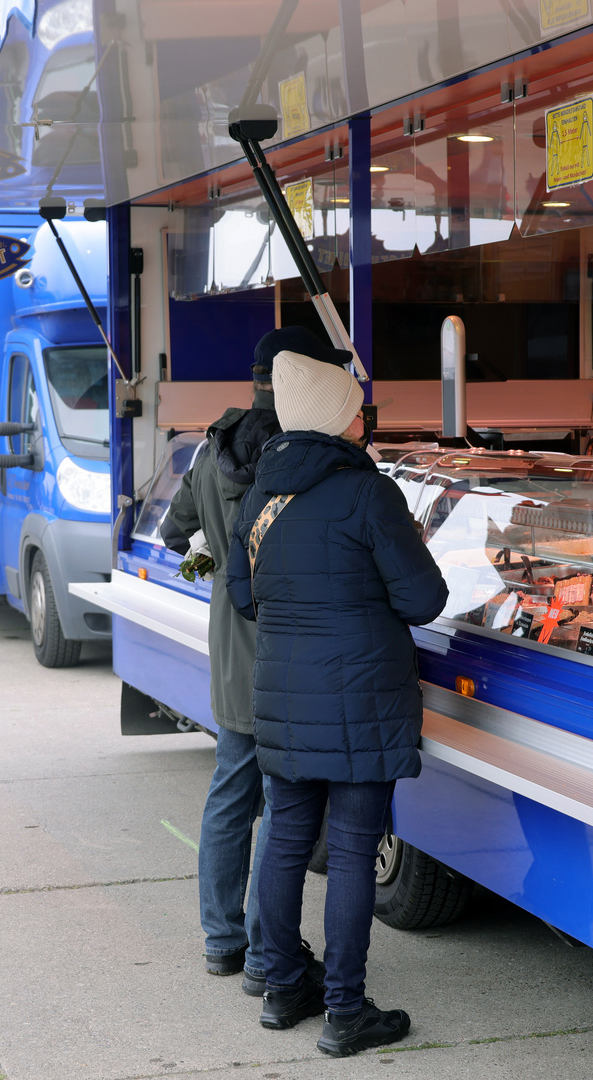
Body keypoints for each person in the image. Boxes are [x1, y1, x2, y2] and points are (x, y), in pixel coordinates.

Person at [226, 351, 448, 1057]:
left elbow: (243, 597)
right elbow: (423, 599)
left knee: (287, 838)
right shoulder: (368, 493)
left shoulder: (260, 496)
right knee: (352, 852)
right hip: (362, 695)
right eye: (357, 407)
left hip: (284, 692)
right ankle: (345, 1012)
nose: (365, 418)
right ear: (336, 417)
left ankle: (285, 984)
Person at [160, 329, 344, 996]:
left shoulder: (211, 449)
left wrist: (213, 551)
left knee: (229, 796)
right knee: (286, 809)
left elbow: (172, 533)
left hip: (232, 658)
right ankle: (270, 952)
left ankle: (221, 941)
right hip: (291, 656)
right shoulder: (304, 455)